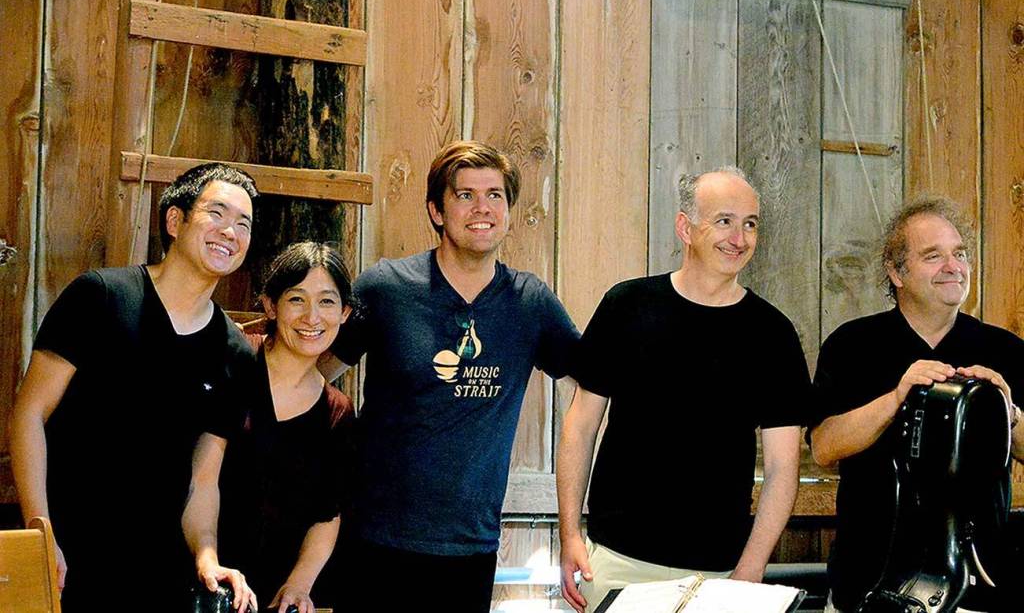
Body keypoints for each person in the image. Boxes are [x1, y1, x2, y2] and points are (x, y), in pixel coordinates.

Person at [326, 140, 581, 612]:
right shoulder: (386, 288)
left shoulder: (530, 303)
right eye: (466, 195)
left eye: (495, 195)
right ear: (437, 211)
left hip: (470, 548)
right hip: (374, 540)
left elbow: (593, 389)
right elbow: (312, 371)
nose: (482, 208)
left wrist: (572, 534)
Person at [557, 167, 810, 613]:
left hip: (719, 573)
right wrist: (570, 534)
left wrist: (749, 571)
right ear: (685, 228)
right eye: (724, 221)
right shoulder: (626, 305)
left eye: (750, 224)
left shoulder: (773, 334)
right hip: (614, 561)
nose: (739, 238)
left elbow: (782, 468)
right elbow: (580, 427)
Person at [10, 162, 259, 610]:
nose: (230, 232)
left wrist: (207, 556)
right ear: (175, 221)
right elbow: (30, 413)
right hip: (63, 558)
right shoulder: (100, 297)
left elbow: (203, 480)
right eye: (217, 213)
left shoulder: (235, 353)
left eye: (244, 224)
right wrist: (39, 530)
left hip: (155, 573)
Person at [808, 196, 1024, 613]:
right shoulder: (852, 345)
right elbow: (824, 447)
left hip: (978, 587)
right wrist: (895, 398)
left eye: (960, 253)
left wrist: (1008, 413)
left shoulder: (1004, 350)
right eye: (932, 256)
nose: (953, 266)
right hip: (868, 585)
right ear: (896, 272)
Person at [184, 242, 355, 613]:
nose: (312, 317)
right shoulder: (236, 361)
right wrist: (208, 559)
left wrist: (298, 585)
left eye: (327, 302)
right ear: (270, 305)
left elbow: (328, 515)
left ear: (344, 313)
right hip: (202, 580)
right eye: (297, 299)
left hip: (273, 594)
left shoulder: (338, 412)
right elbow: (202, 479)